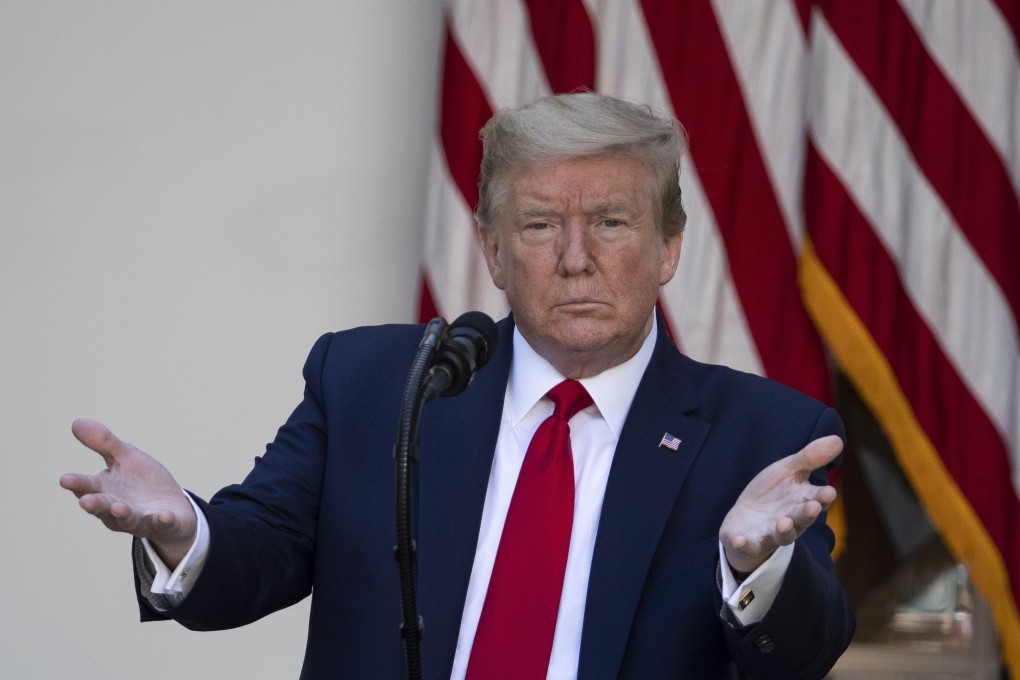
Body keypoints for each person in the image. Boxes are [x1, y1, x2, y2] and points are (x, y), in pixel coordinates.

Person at [61, 92, 855, 679]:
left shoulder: (762, 434)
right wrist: (180, 531)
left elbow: (806, 652)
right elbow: (253, 557)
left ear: (669, 247)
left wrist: (757, 568)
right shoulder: (378, 385)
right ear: (492, 249)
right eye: (541, 224)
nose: (576, 258)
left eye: (611, 223)